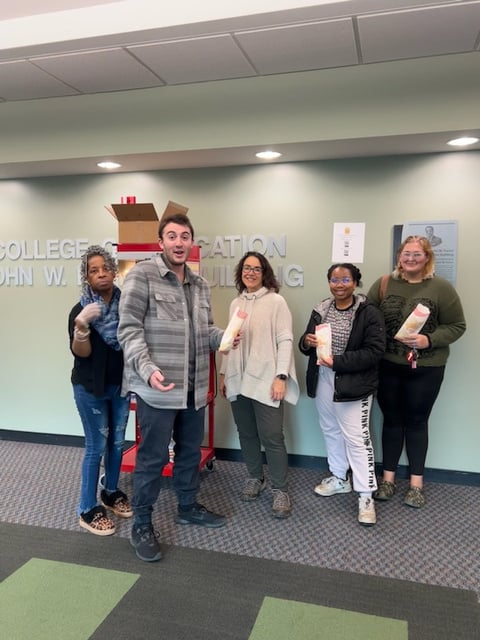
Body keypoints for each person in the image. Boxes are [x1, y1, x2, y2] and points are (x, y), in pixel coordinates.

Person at [118, 213, 233, 562]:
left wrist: (225, 338)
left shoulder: (199, 286)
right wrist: (148, 369)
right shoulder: (142, 275)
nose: (179, 242)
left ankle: (187, 506)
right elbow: (129, 330)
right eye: (172, 236)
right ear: (161, 242)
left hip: (194, 389)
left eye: (185, 236)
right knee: (152, 459)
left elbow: (206, 330)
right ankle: (142, 523)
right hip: (159, 389)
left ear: (191, 242)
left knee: (188, 453)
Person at [368, 235, 466, 508]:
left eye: (417, 254)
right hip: (388, 365)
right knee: (391, 421)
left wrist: (429, 339)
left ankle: (415, 484)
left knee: (417, 421)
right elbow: (368, 319)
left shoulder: (441, 288)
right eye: (406, 254)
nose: (411, 259)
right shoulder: (384, 284)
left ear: (427, 258)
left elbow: (457, 325)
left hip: (427, 367)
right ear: (399, 256)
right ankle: (387, 480)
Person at [299, 263, 385, 526]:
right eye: (334, 280)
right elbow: (305, 342)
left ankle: (366, 495)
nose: (339, 284)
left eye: (345, 279)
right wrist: (307, 342)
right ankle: (339, 477)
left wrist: (337, 361)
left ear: (355, 282)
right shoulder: (321, 308)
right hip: (324, 379)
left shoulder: (369, 312)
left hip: (354, 383)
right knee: (330, 429)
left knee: (358, 440)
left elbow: (374, 351)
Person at [219, 252, 299, 519]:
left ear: (265, 273)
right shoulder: (235, 304)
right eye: (246, 268)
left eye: (256, 268)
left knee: (272, 437)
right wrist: (222, 373)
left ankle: (280, 489)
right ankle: (255, 477)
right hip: (237, 378)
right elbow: (229, 341)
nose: (250, 272)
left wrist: (281, 376)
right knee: (247, 433)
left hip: (267, 379)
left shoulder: (276, 302)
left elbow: (285, 340)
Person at [68, 245, 133, 536]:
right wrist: (82, 326)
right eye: (94, 270)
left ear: (114, 271)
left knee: (117, 442)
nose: (101, 273)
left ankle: (110, 492)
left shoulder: (126, 305)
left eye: (105, 268)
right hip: (90, 389)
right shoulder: (81, 309)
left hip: (119, 386)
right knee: (96, 446)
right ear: (86, 276)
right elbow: (80, 353)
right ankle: (86, 508)